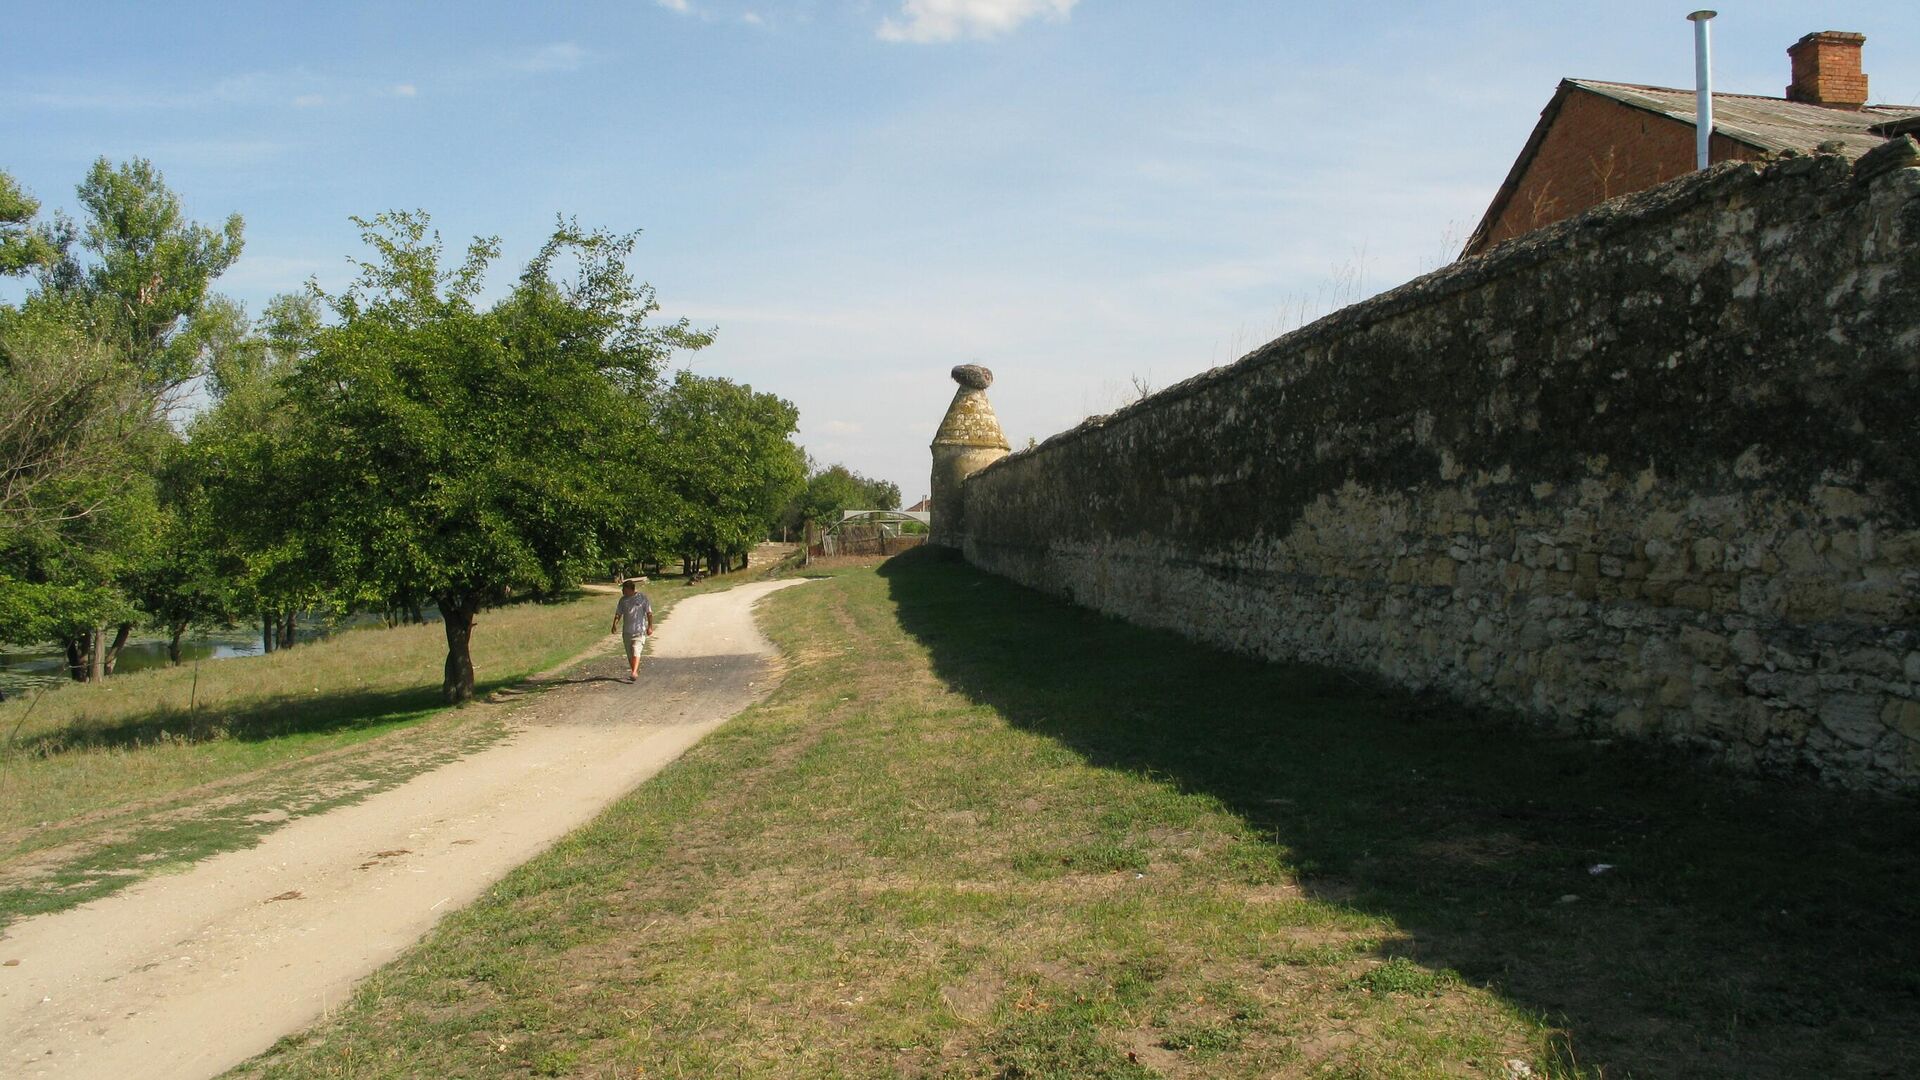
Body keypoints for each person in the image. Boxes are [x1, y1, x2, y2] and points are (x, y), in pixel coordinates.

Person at [611, 577, 655, 683]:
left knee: (636, 650)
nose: (622, 591)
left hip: (639, 630)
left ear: (631, 589)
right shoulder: (622, 600)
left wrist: (650, 627)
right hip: (627, 631)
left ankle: (634, 672)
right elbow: (618, 613)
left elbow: (649, 613)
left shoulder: (642, 598)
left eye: (624, 589)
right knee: (630, 654)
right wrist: (614, 625)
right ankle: (634, 670)